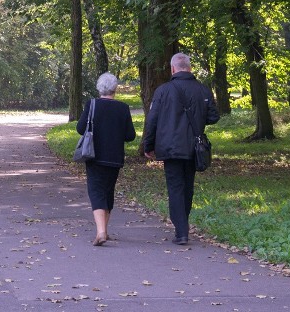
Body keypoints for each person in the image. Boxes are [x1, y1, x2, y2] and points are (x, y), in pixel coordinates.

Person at [141, 53, 219, 245]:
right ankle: (183, 226)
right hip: (194, 147)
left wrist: (148, 145)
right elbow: (213, 117)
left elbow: (152, 120)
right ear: (189, 68)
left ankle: (181, 231)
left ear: (173, 69)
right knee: (188, 186)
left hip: (170, 147)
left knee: (175, 187)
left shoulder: (163, 91)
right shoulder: (203, 90)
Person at [76, 72, 136, 246]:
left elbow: (81, 129)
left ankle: (101, 232)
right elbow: (130, 136)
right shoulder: (123, 108)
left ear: (99, 88)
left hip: (94, 156)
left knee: (96, 192)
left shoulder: (92, 104)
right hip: (115, 158)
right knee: (108, 192)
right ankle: (105, 231)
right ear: (115, 89)